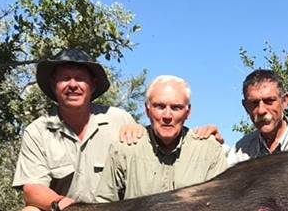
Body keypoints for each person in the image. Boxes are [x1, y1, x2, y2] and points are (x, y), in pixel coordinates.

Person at [13, 48, 140, 211]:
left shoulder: (120, 119)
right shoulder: (37, 131)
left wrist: (140, 130)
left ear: (92, 85)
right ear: (53, 85)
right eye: (65, 78)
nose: (73, 85)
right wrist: (67, 206)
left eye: (80, 78)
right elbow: (31, 189)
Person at [96, 75, 227, 201]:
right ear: (147, 110)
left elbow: (221, 206)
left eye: (176, 108)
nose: (167, 115)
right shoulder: (125, 149)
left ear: (188, 112)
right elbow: (103, 205)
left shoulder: (210, 151)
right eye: (159, 106)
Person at [229, 69, 288, 164]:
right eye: (254, 103)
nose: (261, 110)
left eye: (269, 101)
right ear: (246, 107)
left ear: (284, 101)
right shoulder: (241, 152)